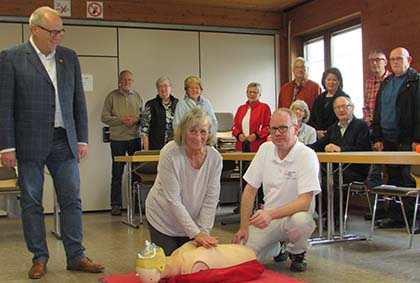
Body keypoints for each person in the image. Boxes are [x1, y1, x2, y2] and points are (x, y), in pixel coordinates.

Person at [0, 6, 104, 279]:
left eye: (61, 31)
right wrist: (6, 147)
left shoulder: (68, 58)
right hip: (29, 142)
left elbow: (78, 102)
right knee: (32, 202)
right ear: (34, 29)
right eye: (53, 31)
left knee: (72, 199)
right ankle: (39, 258)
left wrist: (81, 138)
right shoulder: (11, 58)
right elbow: (4, 105)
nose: (58, 36)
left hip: (63, 140)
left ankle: (76, 255)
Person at [232, 108, 321, 272]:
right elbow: (250, 189)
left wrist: (269, 214)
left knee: (302, 221)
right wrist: (243, 227)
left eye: (283, 128)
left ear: (296, 129)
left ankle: (297, 252)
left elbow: (304, 202)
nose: (277, 133)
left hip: (292, 217)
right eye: (273, 129)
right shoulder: (265, 150)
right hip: (269, 219)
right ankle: (278, 247)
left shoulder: (306, 155)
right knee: (241, 257)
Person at [146, 107, 223, 256]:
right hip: (163, 220)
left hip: (191, 224)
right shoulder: (170, 153)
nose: (198, 137)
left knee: (194, 265)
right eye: (192, 131)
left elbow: (211, 200)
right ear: (183, 131)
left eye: (203, 132)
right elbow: (173, 200)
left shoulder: (215, 158)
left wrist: (203, 232)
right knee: (173, 267)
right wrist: (195, 233)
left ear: (209, 134)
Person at [372, 47, 420, 232]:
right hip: (387, 138)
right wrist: (377, 136)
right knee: (392, 179)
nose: (395, 62)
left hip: (408, 139)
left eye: (399, 59)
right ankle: (396, 216)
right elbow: (378, 111)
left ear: (409, 59)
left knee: (410, 179)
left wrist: (417, 138)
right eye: (392, 59)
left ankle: (414, 218)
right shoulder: (386, 83)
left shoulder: (415, 82)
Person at [309, 95, 371, 221]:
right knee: (314, 180)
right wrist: (299, 148)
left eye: (344, 106)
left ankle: (335, 217)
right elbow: (319, 145)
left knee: (331, 182)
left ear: (352, 108)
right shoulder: (333, 128)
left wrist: (340, 149)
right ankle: (326, 214)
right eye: (337, 107)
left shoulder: (361, 125)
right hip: (335, 169)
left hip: (355, 169)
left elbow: (363, 149)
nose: (341, 110)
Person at [101, 70, 143, 216]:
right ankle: (116, 205)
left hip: (134, 139)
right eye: (124, 79)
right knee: (117, 173)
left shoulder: (137, 96)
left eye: (129, 80)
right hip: (117, 140)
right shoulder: (111, 96)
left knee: (137, 174)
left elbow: (143, 117)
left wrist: (136, 120)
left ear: (133, 81)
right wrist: (121, 120)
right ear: (120, 81)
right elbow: (104, 117)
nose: (127, 82)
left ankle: (136, 205)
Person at [308, 67, 348, 139]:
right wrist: (316, 131)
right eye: (328, 79)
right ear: (324, 81)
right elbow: (312, 118)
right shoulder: (319, 98)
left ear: (339, 82)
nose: (331, 82)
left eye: (334, 80)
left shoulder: (344, 98)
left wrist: (328, 132)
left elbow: (345, 119)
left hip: (337, 136)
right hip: (318, 136)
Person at [140, 76, 178, 150]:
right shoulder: (150, 105)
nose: (163, 89)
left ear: (170, 88)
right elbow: (144, 130)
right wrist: (146, 151)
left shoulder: (178, 104)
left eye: (165, 86)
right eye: (160, 87)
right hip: (155, 147)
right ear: (157, 89)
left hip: (174, 147)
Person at [232, 82, 271, 153]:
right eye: (250, 92)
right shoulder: (241, 108)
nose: (252, 94)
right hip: (241, 145)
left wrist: (256, 135)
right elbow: (235, 126)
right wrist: (238, 135)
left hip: (257, 146)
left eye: (255, 92)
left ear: (260, 94)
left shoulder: (264, 107)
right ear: (246, 93)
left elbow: (268, 127)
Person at [363, 49, 392, 126]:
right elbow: (366, 105)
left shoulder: (392, 79)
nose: (374, 63)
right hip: (372, 125)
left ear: (385, 62)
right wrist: (367, 117)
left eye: (378, 60)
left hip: (388, 124)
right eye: (371, 60)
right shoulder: (369, 82)